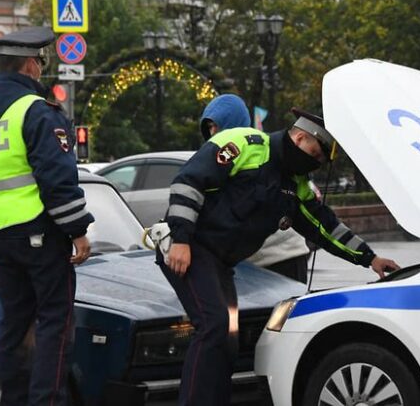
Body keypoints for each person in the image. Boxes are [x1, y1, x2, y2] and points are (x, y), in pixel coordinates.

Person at [158, 107, 400, 405]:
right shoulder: (243, 144)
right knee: (214, 325)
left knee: (229, 338)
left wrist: (369, 258)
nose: (317, 164)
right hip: (190, 248)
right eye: (317, 154)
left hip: (220, 264)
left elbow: (325, 226)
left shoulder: (296, 186)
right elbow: (188, 181)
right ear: (299, 138)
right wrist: (181, 239)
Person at [0, 27, 94, 405]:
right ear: (30, 64)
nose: (41, 70)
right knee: (54, 326)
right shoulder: (36, 111)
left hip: (3, 240)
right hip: (40, 236)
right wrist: (77, 231)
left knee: (14, 328)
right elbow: (57, 178)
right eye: (41, 63)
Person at [199, 94, 312, 282]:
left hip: (281, 258)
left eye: (216, 125)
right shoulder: (219, 159)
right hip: (253, 262)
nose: (212, 132)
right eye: (209, 127)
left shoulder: (254, 153)